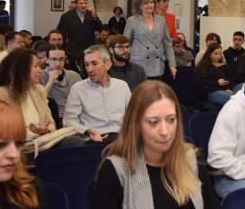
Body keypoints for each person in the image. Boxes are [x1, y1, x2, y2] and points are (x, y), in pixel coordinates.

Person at [92, 80, 220, 209]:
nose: (165, 131)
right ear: (136, 124)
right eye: (153, 122)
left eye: (171, 120)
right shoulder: (115, 170)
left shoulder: (191, 159)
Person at [63, 45, 131, 145]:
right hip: (94, 139)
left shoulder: (122, 86)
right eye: (86, 64)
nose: (89, 69)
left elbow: (133, 116)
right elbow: (68, 121)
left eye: (94, 64)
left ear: (107, 64)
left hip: (121, 138)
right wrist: (86, 130)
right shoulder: (78, 89)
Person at [0, 48, 56, 141]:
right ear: (22, 69)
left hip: (43, 142)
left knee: (74, 141)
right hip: (17, 147)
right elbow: (0, 132)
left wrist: (45, 130)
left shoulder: (39, 90)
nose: (40, 70)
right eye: (36, 66)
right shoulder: (0, 94)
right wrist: (33, 133)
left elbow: (52, 124)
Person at [124, 0, 176, 79]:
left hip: (157, 65)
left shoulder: (161, 20)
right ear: (139, 6)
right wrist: (125, 63)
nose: (149, 5)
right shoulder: (132, 21)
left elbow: (168, 43)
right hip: (138, 65)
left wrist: (172, 65)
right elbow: (126, 43)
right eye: (146, 3)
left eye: (151, 2)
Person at [57, 0, 102, 73]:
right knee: (74, 74)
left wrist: (95, 17)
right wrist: (63, 52)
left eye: (85, 3)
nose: (83, 5)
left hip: (89, 50)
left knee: (89, 72)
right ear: (76, 4)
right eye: (81, 3)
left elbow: (100, 28)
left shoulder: (91, 14)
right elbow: (62, 35)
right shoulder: (67, 16)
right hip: (73, 51)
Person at [40, 44, 81, 121]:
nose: (58, 63)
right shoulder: (41, 76)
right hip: (50, 117)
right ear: (47, 60)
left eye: (61, 59)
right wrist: (50, 81)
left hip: (72, 116)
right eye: (54, 59)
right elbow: (38, 101)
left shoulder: (74, 76)